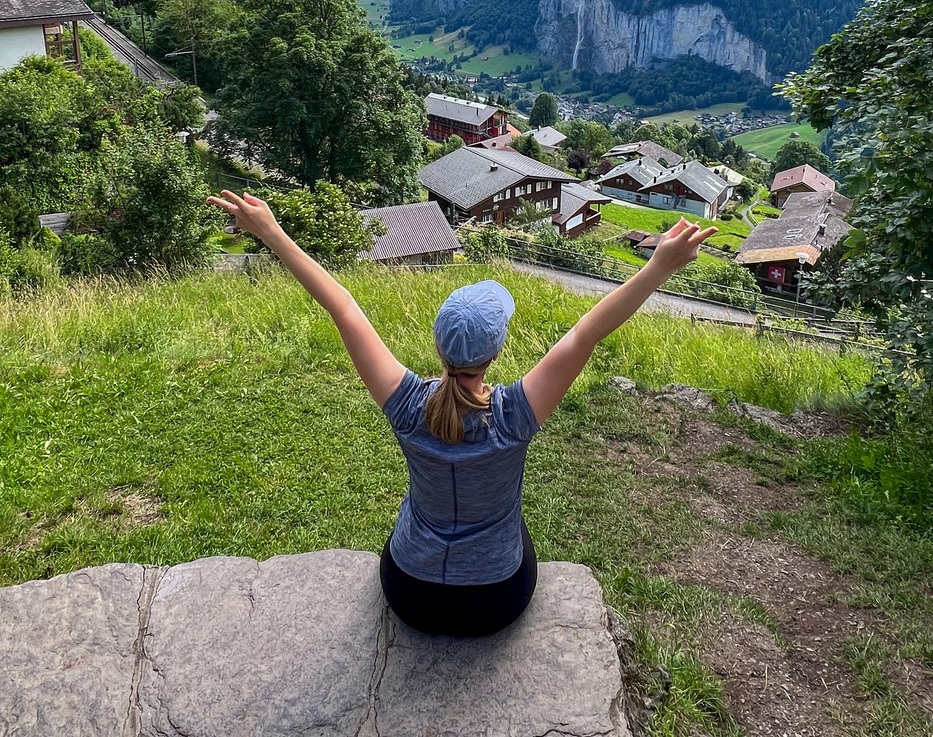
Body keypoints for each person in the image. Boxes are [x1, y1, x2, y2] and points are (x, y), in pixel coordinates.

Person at [207, 189, 715, 637]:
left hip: (408, 593)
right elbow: (587, 332)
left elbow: (343, 307)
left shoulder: (406, 403)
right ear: (494, 353)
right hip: (494, 601)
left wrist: (272, 233)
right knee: (517, 532)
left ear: (437, 344)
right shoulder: (514, 413)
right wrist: (659, 266)